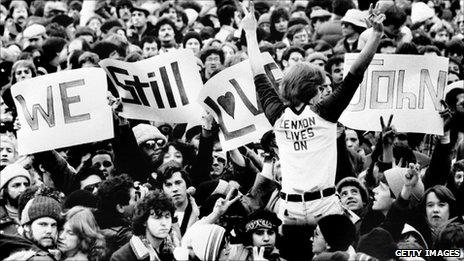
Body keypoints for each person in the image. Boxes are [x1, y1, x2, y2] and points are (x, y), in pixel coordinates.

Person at [243, 1, 385, 226]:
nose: (323, 92)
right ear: (312, 89)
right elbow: (356, 72)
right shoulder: (325, 112)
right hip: (324, 207)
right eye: (320, 88)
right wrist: (376, 35)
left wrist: (250, 32)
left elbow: (258, 73)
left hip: (289, 210)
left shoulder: (277, 116)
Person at [110, 191, 179, 261]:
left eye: (167, 217)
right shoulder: (121, 258)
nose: (164, 223)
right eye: (157, 217)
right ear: (144, 221)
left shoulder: (174, 249)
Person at [156, 165, 199, 236]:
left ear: (186, 185)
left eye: (178, 183)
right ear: (162, 190)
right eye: (168, 185)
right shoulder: (159, 219)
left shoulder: (200, 209)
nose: (174, 189)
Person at [0, 164, 31, 235]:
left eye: (26, 185)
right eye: (16, 185)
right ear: (4, 191)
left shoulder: (38, 211)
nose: (23, 189)